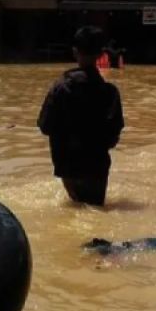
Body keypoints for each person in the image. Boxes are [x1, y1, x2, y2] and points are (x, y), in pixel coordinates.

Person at [38, 26, 124, 206]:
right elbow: (114, 136)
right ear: (102, 55)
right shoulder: (110, 92)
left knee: (76, 210)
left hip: (67, 164)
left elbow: (45, 126)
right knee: (96, 209)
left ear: (75, 52)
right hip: (97, 164)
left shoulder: (60, 88)